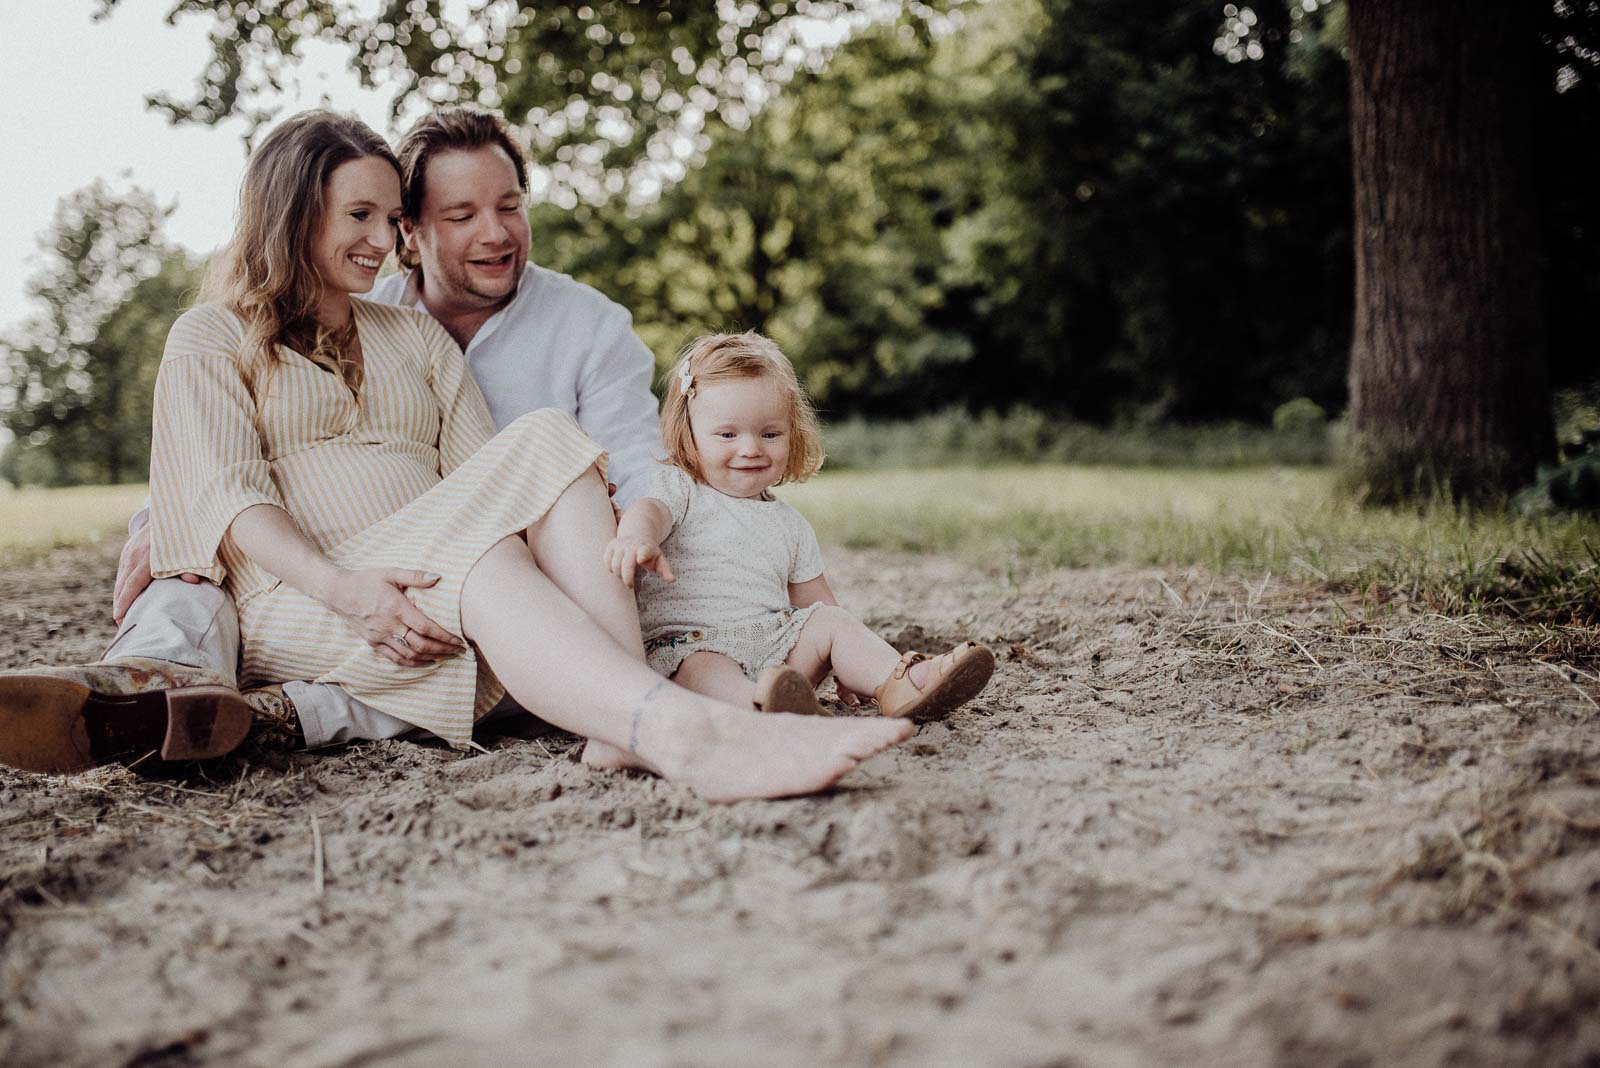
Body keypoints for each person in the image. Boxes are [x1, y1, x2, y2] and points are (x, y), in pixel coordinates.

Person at [0, 110, 911, 800]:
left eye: (387, 217)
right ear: (292, 215)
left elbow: (492, 488)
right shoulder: (212, 337)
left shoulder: (414, 339)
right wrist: (344, 586)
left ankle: (634, 714)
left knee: (550, 442)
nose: (380, 238)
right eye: (360, 215)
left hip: (426, 577)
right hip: (305, 596)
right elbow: (230, 495)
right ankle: (670, 725)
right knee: (501, 526)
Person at [29, 106, 666, 755]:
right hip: (308, 573)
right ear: (414, 233)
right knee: (192, 576)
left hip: (474, 562)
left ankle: (281, 715)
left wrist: (594, 543)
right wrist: (170, 515)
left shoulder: (557, 326)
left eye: (509, 206)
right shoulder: (285, 319)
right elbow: (217, 461)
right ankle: (145, 687)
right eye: (460, 215)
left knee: (515, 554)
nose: (495, 233)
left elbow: (604, 468)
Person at [606, 332, 996, 722]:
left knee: (833, 621)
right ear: (688, 435)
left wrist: (849, 664)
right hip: (692, 646)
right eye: (728, 434)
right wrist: (637, 536)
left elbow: (817, 602)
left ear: (793, 434)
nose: (751, 448)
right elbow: (650, 510)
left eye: (770, 434)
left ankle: (897, 683)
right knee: (704, 669)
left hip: (776, 648)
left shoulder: (791, 525)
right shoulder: (683, 490)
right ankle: (760, 711)